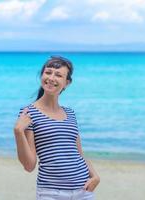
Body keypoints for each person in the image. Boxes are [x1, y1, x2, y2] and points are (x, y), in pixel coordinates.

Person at [13, 56, 100, 200]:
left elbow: (78, 153)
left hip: (83, 191)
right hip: (51, 193)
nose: (51, 78)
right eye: (48, 72)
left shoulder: (70, 113)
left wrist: (95, 176)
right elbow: (29, 166)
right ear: (42, 76)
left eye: (58, 75)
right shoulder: (29, 113)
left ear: (67, 83)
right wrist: (18, 132)